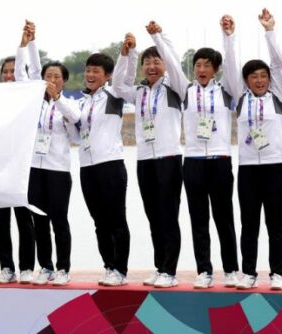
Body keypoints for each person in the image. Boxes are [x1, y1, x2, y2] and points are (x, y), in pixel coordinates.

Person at [151, 17, 240, 289]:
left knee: (224, 218)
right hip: (192, 163)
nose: (201, 69)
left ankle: (232, 270)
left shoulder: (228, 90)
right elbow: (172, 62)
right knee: (198, 219)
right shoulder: (185, 90)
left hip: (221, 160)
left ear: (215, 70)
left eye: (207, 65)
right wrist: (158, 36)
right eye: (198, 65)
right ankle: (204, 270)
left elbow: (234, 68)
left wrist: (228, 36)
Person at [112, 29, 183, 288]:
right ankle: (159, 266)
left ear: (164, 64)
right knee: (153, 216)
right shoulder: (139, 92)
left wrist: (158, 38)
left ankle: (170, 271)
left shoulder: (175, 86)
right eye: (147, 63)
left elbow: (175, 64)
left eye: (156, 62)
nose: (152, 67)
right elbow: (119, 85)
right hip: (144, 160)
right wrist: (127, 54)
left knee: (168, 215)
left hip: (169, 158)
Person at [14, 21, 79, 286]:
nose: (51, 80)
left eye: (56, 77)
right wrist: (26, 44)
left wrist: (58, 99)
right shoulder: (33, 101)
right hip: (34, 169)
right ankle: (47, 266)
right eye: (47, 76)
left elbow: (76, 118)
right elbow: (21, 74)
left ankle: (63, 268)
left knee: (59, 221)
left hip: (58, 171)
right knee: (38, 221)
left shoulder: (69, 103)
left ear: (64, 81)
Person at [230, 9, 282, 290]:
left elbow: (279, 64)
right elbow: (230, 68)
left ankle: (278, 272)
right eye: (253, 76)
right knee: (249, 223)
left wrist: (270, 30)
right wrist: (229, 36)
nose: (259, 80)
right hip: (249, 168)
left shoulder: (278, 95)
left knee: (277, 224)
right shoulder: (240, 98)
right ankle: (248, 273)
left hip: (276, 166)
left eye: (263, 76)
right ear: (246, 80)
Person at [76, 51, 130, 286]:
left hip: (110, 164)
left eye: (96, 71)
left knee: (116, 219)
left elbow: (122, 75)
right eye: (88, 70)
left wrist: (125, 54)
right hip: (87, 166)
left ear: (107, 75)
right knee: (99, 222)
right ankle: (108, 266)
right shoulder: (82, 102)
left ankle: (120, 269)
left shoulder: (114, 94)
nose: (90, 74)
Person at [0, 21, 36, 285]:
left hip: (22, 167)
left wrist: (25, 44)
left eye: (13, 71)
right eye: (5, 72)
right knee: (0, 220)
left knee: (24, 218)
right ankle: (6, 267)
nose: (9, 75)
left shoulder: (26, 96)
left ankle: (27, 267)